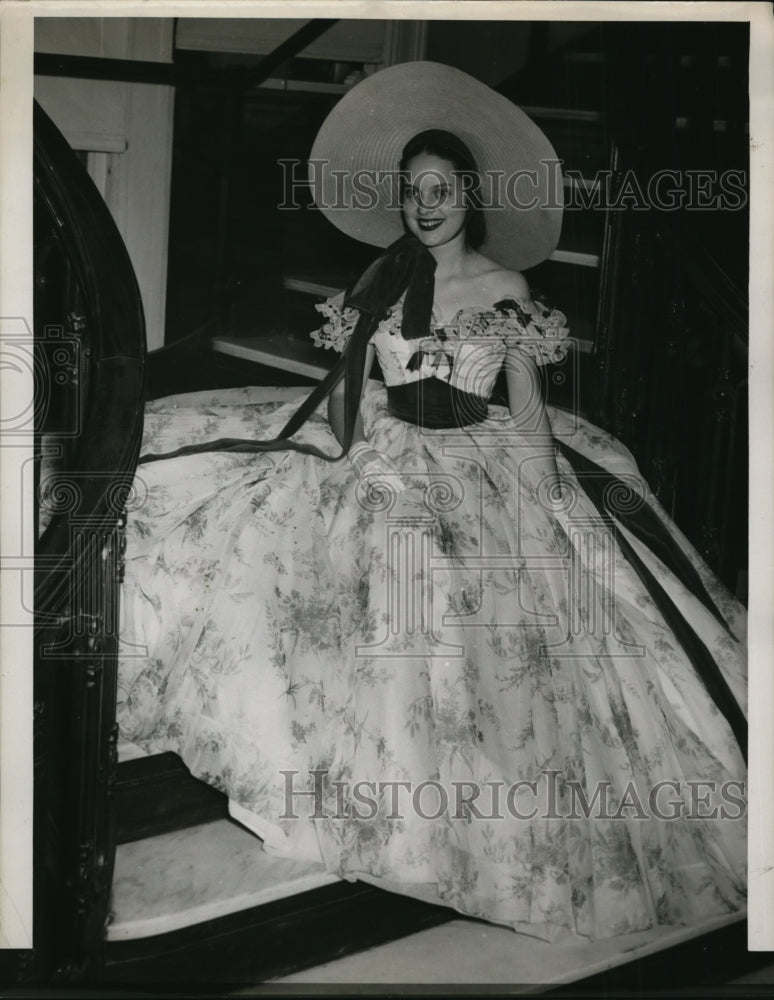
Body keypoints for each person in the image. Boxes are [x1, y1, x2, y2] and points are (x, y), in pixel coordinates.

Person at [117, 62, 746, 943]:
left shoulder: (504, 291)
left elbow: (524, 407)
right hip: (392, 448)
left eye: (441, 190)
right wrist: (346, 457)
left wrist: (546, 503)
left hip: (481, 454)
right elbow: (359, 389)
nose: (425, 205)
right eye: (414, 191)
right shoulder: (384, 275)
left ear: (470, 197)